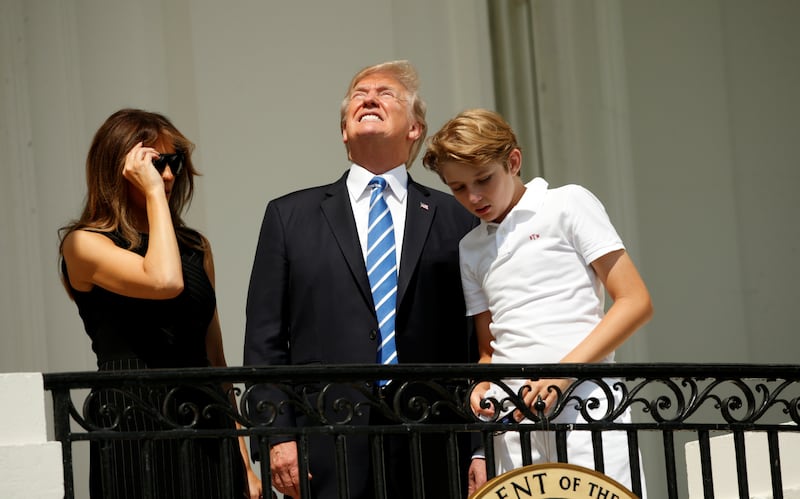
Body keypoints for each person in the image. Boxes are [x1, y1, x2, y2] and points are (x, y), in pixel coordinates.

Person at [243, 60, 479, 498]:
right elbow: (264, 344)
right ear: (344, 132)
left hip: (432, 441)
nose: (369, 97)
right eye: (359, 94)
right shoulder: (288, 216)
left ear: (415, 129)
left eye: (386, 93)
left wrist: (480, 447)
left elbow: (475, 343)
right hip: (325, 441)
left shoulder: (457, 218)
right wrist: (277, 438)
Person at [422, 108, 652, 495]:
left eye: (483, 179)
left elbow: (635, 301)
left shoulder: (567, 204)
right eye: (458, 187)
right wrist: (481, 386)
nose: (473, 196)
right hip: (512, 425)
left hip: (588, 406)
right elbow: (488, 350)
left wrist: (562, 376)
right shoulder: (470, 247)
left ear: (513, 161)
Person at [58, 108, 262, 499]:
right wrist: (153, 194)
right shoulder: (83, 243)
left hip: (205, 421)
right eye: (155, 164)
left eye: (173, 162)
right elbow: (164, 280)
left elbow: (214, 359)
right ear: (120, 168)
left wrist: (243, 461)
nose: (167, 175)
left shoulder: (195, 247)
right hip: (133, 425)